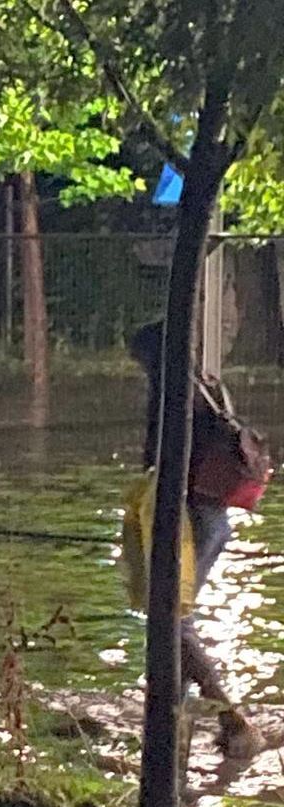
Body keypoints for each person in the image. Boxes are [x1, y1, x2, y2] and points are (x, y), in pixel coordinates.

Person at [129, 320, 264, 758]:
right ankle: (175, 723)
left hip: (187, 520)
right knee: (174, 618)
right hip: (215, 518)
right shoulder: (209, 387)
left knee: (170, 621)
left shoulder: (173, 395)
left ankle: (232, 719)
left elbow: (157, 460)